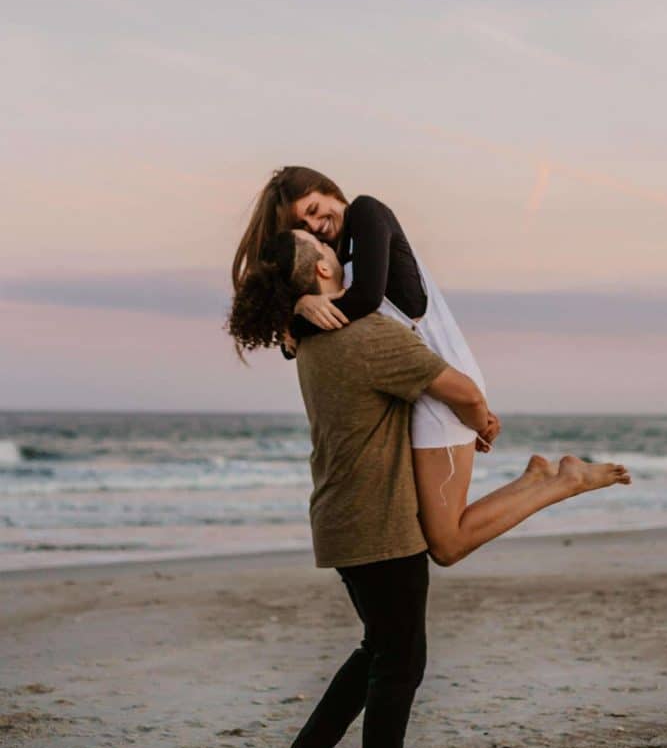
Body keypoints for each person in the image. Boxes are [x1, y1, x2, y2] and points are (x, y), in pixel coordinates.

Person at [229, 168, 631, 567]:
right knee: (437, 533)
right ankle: (541, 478)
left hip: (442, 378)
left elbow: (367, 298)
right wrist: (298, 306)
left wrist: (300, 315)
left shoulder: (367, 213)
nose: (318, 226)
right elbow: (293, 348)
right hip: (412, 385)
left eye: (316, 210)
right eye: (305, 225)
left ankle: (562, 481)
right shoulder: (333, 260)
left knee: (446, 543)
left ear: (331, 190)